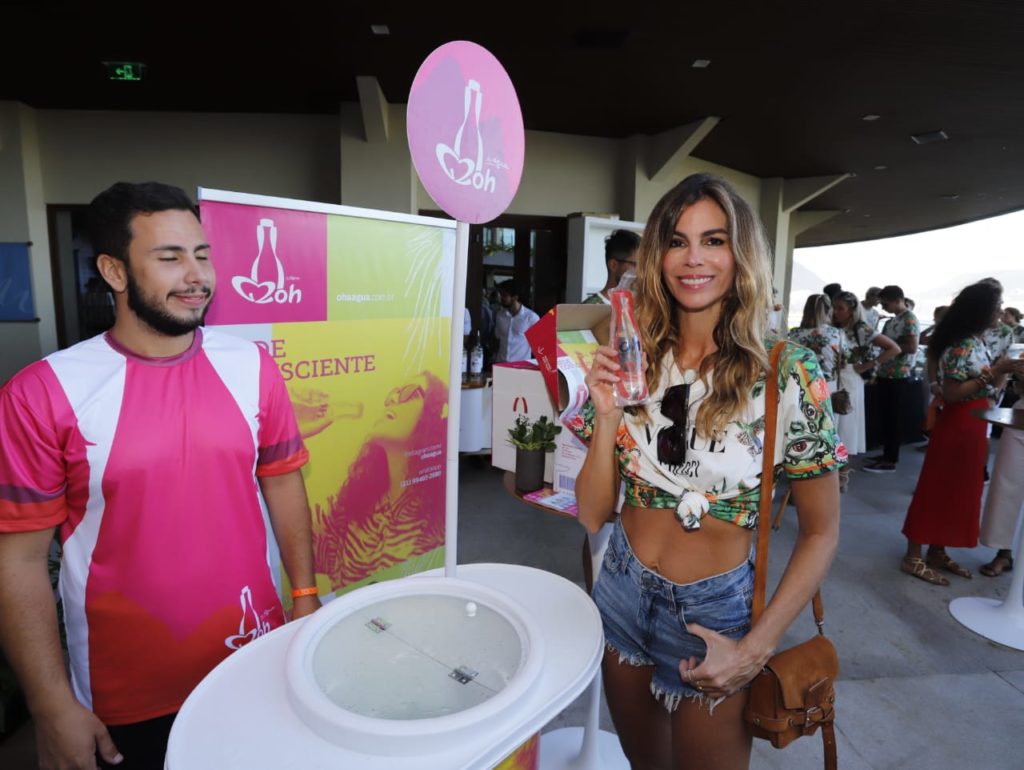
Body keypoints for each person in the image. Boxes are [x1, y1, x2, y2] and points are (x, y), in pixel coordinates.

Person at [0, 182, 319, 770]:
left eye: (201, 254)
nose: (195, 275)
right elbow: (18, 562)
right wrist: (50, 704)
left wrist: (304, 596)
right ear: (114, 272)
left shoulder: (252, 365)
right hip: (124, 699)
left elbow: (282, 483)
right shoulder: (43, 392)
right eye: (169, 258)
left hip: (254, 658)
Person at [570, 173, 842, 769]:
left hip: (715, 614)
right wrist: (608, 412)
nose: (693, 258)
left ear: (740, 254)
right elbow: (592, 512)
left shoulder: (786, 370)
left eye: (713, 240)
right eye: (676, 240)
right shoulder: (637, 353)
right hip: (620, 587)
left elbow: (821, 531)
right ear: (656, 255)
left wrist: (755, 648)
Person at [899, 281, 1024, 584]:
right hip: (959, 422)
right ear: (981, 310)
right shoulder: (961, 345)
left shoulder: (974, 342)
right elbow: (953, 393)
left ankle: (937, 549)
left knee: (958, 489)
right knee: (937, 487)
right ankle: (913, 554)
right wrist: (996, 371)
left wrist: (1004, 372)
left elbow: (987, 386)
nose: (999, 312)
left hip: (975, 422)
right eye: (996, 306)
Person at [313, 371, 448, 589]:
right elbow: (291, 540)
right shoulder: (349, 505)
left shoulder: (437, 513)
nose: (393, 400)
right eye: (393, 394)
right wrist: (295, 435)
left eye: (409, 394)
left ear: (433, 415)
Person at [831, 291, 900, 461]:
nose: (835, 312)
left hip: (851, 377)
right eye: (834, 308)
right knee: (832, 423)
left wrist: (868, 365)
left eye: (840, 308)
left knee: (846, 425)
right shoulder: (834, 327)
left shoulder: (861, 328)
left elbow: (894, 348)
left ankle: (843, 471)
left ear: (852, 310)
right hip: (834, 377)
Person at [864, 285, 919, 473]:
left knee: (893, 417)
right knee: (886, 417)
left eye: (885, 303)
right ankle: (887, 453)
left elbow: (912, 346)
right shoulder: (894, 320)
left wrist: (891, 347)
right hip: (886, 373)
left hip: (898, 374)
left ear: (897, 300)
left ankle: (890, 460)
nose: (883, 308)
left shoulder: (909, 319)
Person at [585, 229, 641, 304]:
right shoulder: (589, 308)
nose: (640, 272)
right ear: (613, 265)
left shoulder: (640, 307)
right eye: (636, 265)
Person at [494, 279, 540, 362]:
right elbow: (498, 338)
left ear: (515, 297)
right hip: (501, 364)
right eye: (500, 294)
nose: (501, 298)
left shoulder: (531, 317)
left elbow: (539, 346)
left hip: (521, 367)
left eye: (504, 295)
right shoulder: (500, 315)